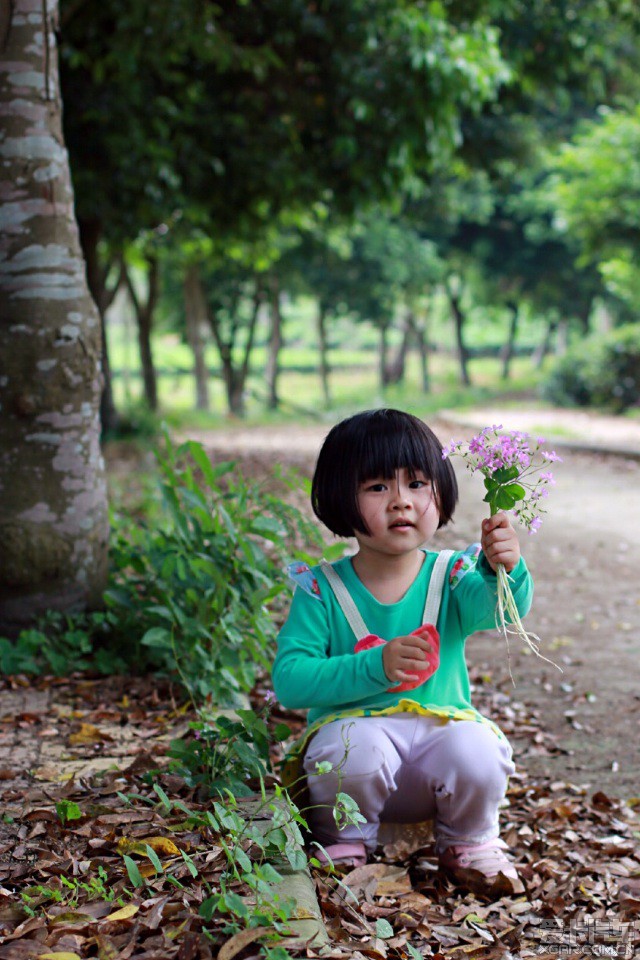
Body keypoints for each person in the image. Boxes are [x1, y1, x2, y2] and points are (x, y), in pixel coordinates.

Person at [272, 409, 533, 894]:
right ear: (339, 497)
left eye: (416, 484)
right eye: (377, 488)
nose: (400, 503)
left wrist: (504, 569)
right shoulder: (322, 590)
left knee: (477, 748)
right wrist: (376, 665)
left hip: (439, 759)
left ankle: (468, 842)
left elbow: (499, 609)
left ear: (441, 491)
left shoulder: (452, 575)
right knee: (354, 746)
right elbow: (290, 680)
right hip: (353, 773)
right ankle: (345, 842)